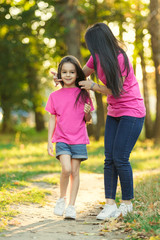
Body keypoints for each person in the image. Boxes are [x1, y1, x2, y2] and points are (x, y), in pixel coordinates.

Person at [78, 22, 146, 220]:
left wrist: (93, 86)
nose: (90, 48)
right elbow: (81, 74)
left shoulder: (120, 58)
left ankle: (127, 203)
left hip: (132, 112)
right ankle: (109, 204)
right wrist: (61, 77)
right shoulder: (96, 58)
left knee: (120, 158)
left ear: (98, 42)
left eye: (91, 44)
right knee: (109, 159)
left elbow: (115, 90)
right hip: (114, 112)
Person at [45, 55, 94, 220]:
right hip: (62, 139)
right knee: (66, 169)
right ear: (60, 74)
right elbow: (52, 118)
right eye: (64, 72)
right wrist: (49, 141)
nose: (68, 75)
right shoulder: (54, 96)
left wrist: (87, 112)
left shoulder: (83, 94)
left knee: (75, 171)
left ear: (77, 73)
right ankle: (61, 199)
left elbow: (88, 120)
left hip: (79, 139)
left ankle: (71, 206)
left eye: (71, 72)